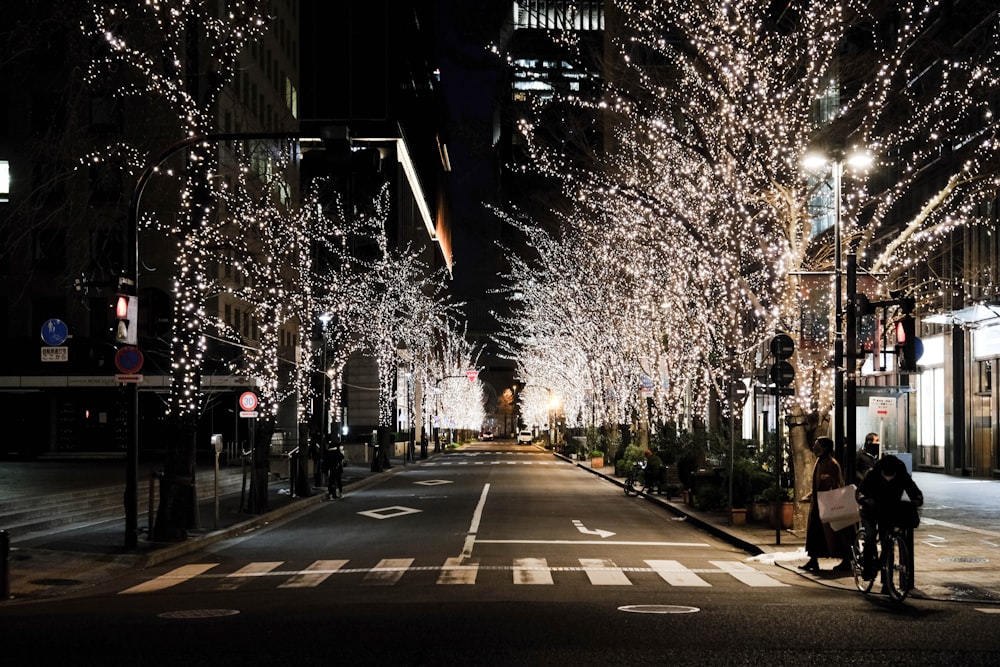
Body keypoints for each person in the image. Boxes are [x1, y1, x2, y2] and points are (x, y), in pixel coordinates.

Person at [855, 454, 923, 586]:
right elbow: (860, 491)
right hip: (870, 511)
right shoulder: (872, 474)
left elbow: (914, 491)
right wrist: (864, 499)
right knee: (870, 536)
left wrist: (917, 500)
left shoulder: (902, 475)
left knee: (888, 543)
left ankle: (887, 582)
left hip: (889, 512)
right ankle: (868, 569)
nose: (888, 475)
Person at [799, 436, 853, 572]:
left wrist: (829, 482)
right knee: (815, 532)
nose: (814, 447)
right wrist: (811, 495)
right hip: (820, 503)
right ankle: (813, 559)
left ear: (825, 448)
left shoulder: (831, 463)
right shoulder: (820, 461)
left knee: (835, 533)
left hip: (829, 504)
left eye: (817, 445)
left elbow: (838, 484)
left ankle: (846, 559)